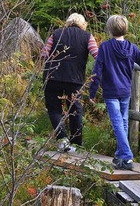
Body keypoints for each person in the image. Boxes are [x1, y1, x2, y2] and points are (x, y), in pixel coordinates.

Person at [88, 14, 140, 170]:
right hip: (125, 90)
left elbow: (98, 70)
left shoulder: (105, 47)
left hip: (111, 90)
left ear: (109, 29)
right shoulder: (132, 48)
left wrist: (92, 92)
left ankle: (127, 157)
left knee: (117, 123)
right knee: (122, 122)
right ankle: (120, 157)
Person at [41, 12, 99, 152]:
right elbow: (97, 55)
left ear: (67, 22)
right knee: (75, 110)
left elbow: (44, 54)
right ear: (83, 24)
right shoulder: (87, 37)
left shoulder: (56, 34)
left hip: (52, 77)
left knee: (54, 109)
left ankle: (62, 140)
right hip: (75, 79)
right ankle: (76, 144)